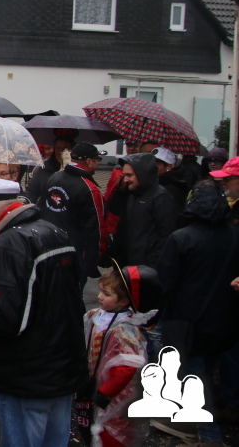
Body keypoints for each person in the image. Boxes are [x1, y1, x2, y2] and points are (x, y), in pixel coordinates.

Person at [0, 178, 88, 447]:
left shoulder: (8, 244)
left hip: (24, 378)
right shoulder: (54, 231)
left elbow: (2, 319)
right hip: (60, 372)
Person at [157, 180, 239, 446]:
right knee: (206, 371)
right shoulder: (234, 235)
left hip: (188, 321)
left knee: (195, 376)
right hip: (225, 320)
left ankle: (208, 435)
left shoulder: (181, 238)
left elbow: (166, 282)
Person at [83, 263, 160, 447]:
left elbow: (128, 366)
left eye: (107, 294)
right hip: (98, 385)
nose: (99, 296)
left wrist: (106, 392)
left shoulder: (126, 330)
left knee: (112, 433)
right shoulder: (99, 316)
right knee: (96, 428)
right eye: (101, 291)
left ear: (124, 301)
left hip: (116, 394)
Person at [42, 142, 106, 287]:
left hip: (48, 248)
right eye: (97, 160)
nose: (98, 164)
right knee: (72, 294)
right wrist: (96, 259)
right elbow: (97, 229)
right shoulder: (90, 189)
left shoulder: (54, 177)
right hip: (75, 255)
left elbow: (42, 209)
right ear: (89, 161)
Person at [109, 153, 180, 267]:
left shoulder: (161, 197)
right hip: (128, 264)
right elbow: (116, 214)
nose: (125, 179)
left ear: (142, 174)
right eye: (124, 175)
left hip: (145, 267)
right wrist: (120, 193)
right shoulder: (133, 194)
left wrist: (151, 264)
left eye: (129, 175)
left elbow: (167, 235)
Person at [26, 135, 74, 204]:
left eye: (65, 149)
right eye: (58, 148)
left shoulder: (79, 172)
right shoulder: (44, 168)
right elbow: (31, 192)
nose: (61, 152)